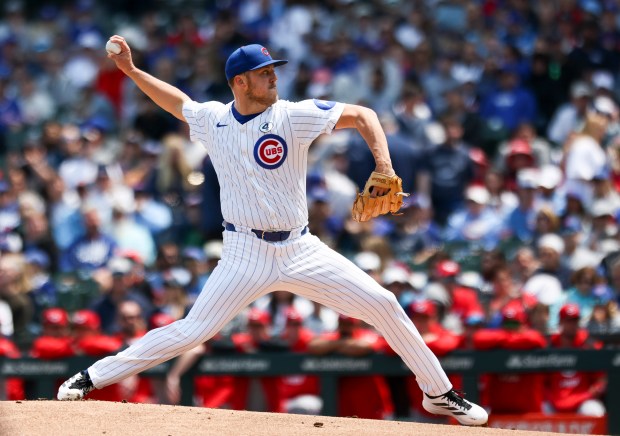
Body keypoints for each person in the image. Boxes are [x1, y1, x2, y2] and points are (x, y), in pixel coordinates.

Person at [57, 37, 487, 426]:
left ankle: (439, 393)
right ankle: (91, 377)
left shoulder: (293, 116)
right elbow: (176, 102)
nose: (273, 77)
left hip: (300, 248)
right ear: (240, 82)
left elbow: (363, 114)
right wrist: (132, 71)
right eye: (264, 73)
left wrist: (385, 167)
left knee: (384, 303)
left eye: (273, 70)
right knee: (192, 331)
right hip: (244, 252)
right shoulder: (213, 120)